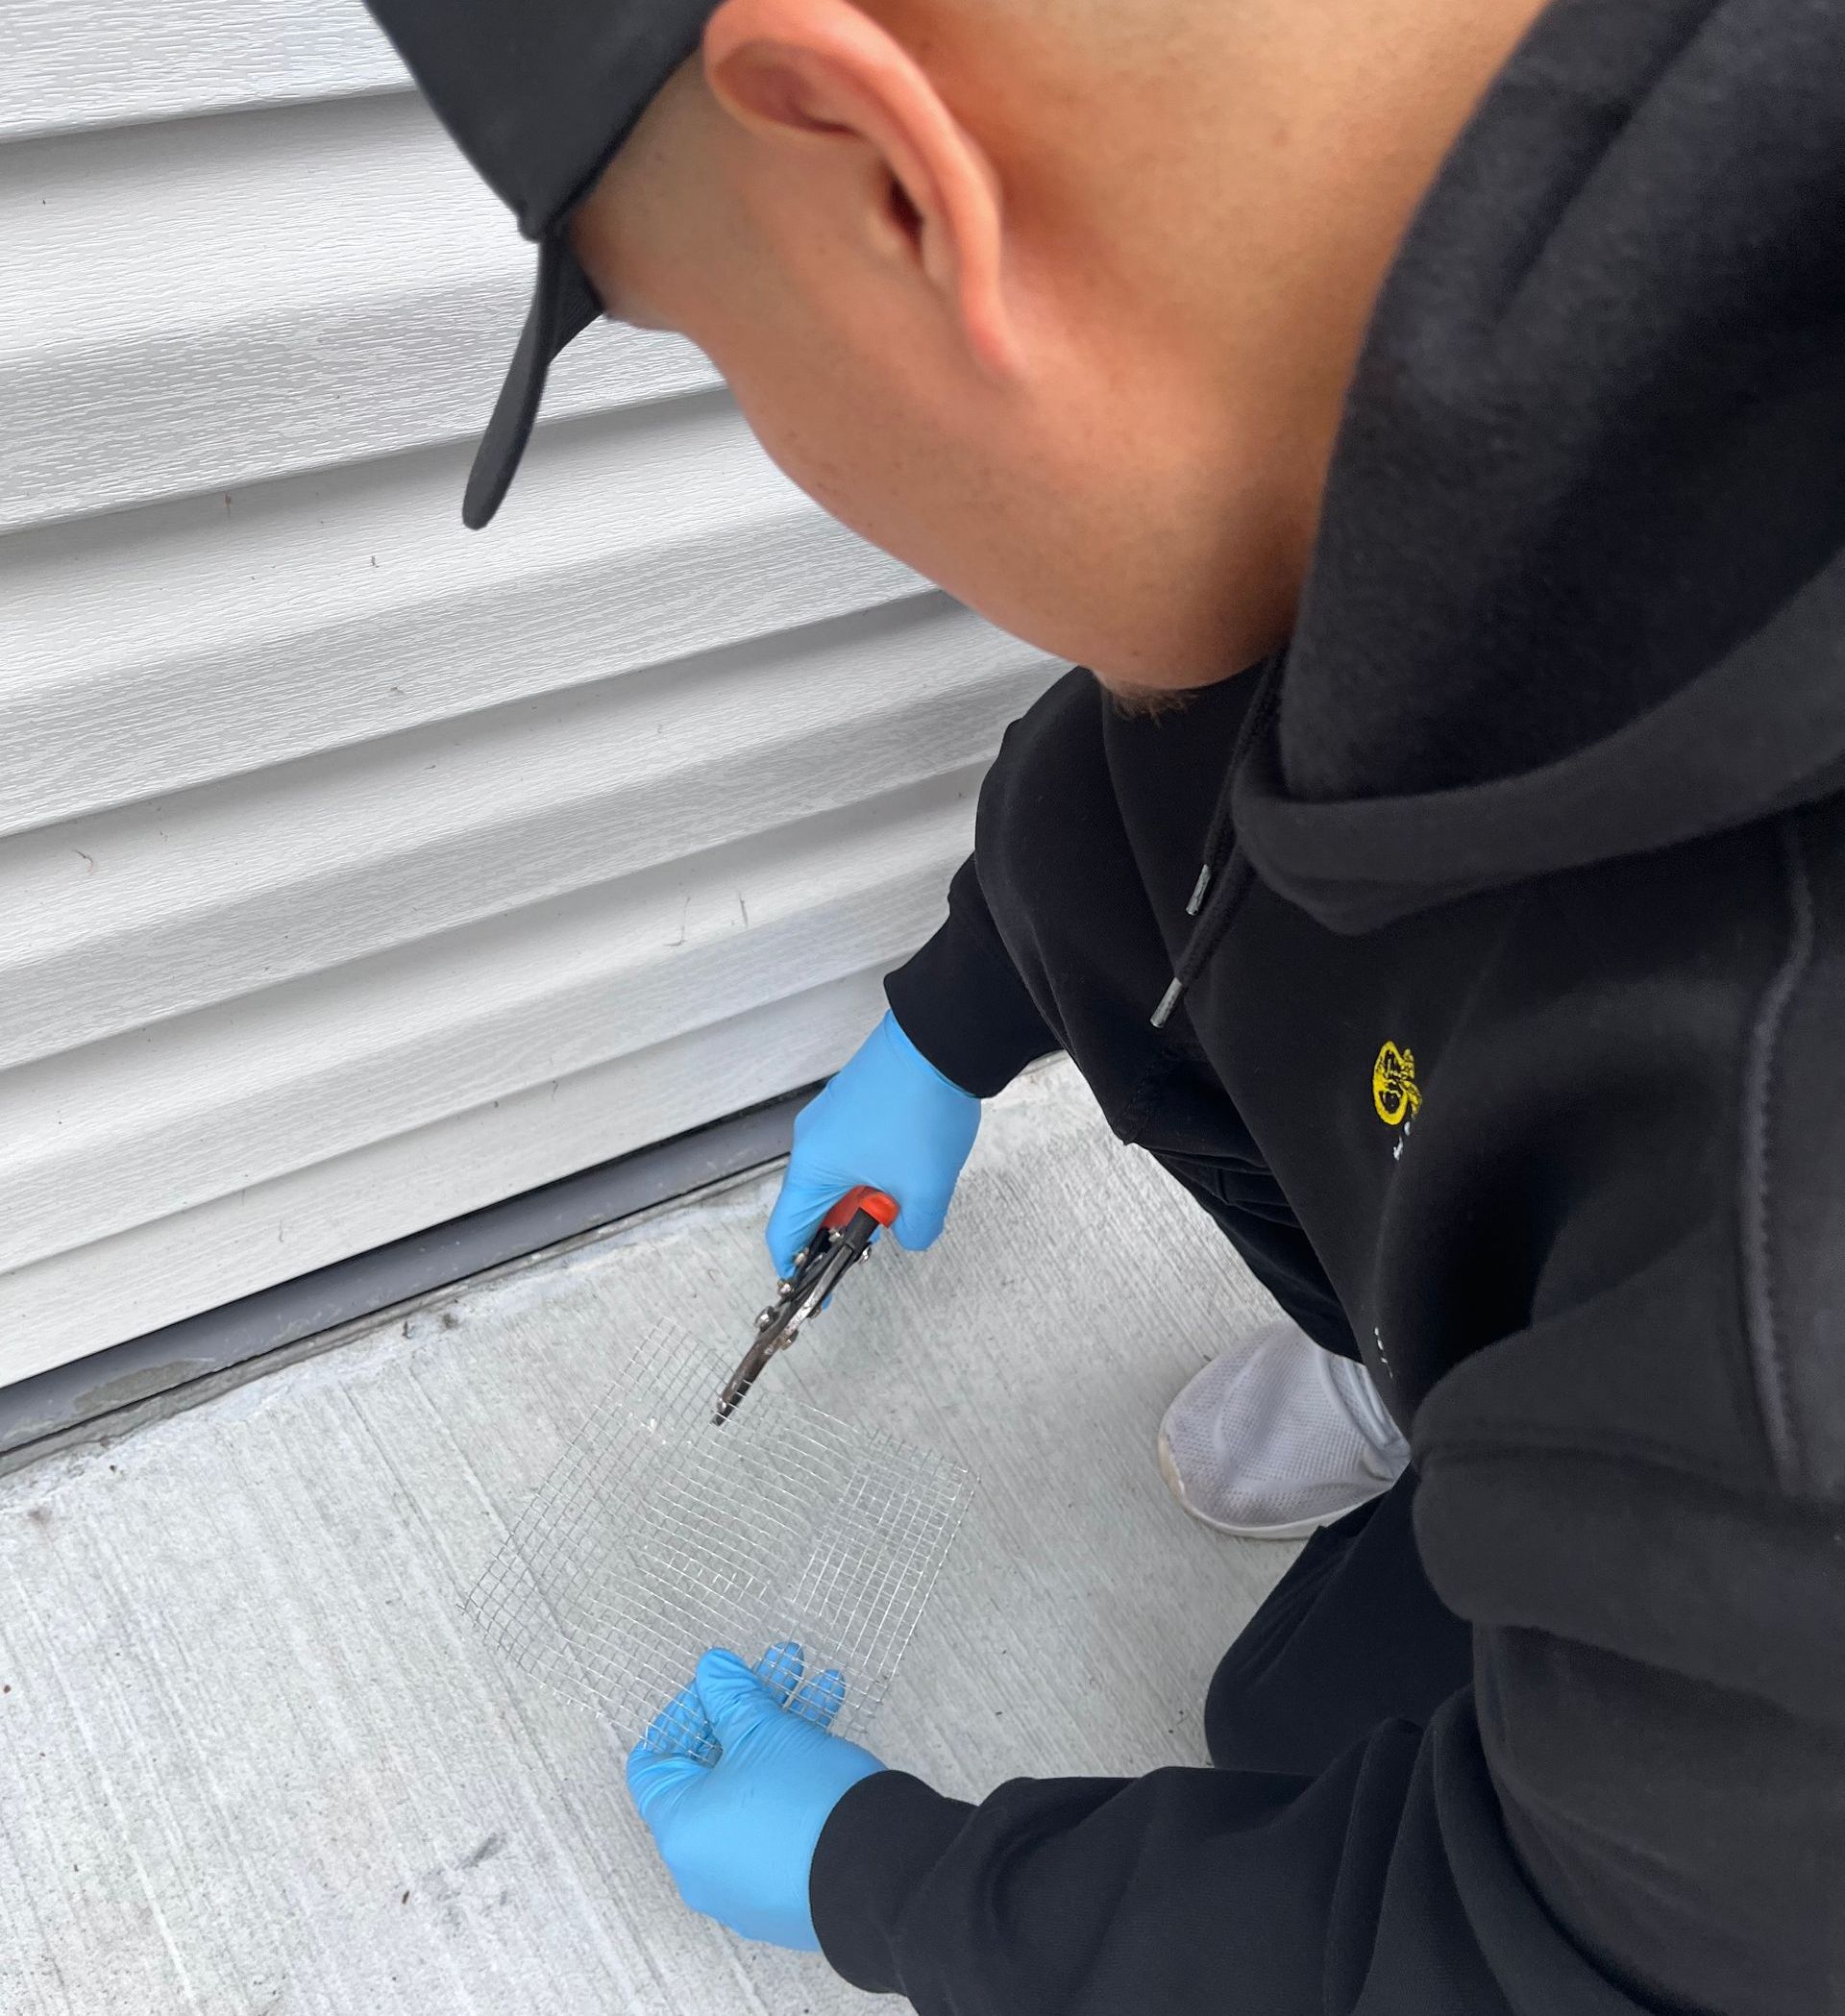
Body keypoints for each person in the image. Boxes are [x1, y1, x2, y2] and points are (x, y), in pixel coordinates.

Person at [359, 0, 1845, 2009]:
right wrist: (951, 1023)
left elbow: (1520, 1962)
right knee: (1305, 1695)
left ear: (892, 182)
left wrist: (882, 1874)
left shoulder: (1788, 1249)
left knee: (1290, 1749)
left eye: (718, 342)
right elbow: (1178, 770)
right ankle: (1434, 1374)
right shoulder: (1437, 374)